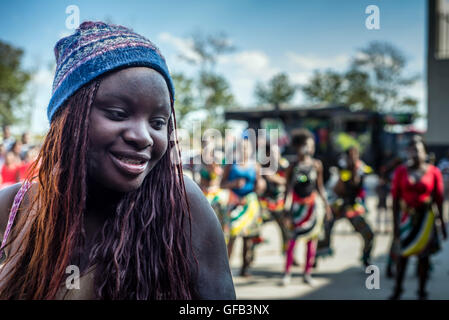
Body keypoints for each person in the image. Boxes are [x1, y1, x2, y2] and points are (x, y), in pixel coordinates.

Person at [0, 21, 235, 300]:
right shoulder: (15, 207)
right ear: (68, 121)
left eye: (158, 122)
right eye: (117, 113)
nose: (143, 137)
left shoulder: (182, 205)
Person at [389, 135, 447, 300]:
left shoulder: (433, 171)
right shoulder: (401, 171)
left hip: (426, 221)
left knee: (424, 258)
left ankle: (422, 292)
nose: (414, 153)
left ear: (424, 152)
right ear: (407, 152)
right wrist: (395, 228)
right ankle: (397, 290)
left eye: (418, 150)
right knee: (402, 257)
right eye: (411, 150)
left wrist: (442, 225)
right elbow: (394, 200)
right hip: (407, 220)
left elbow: (439, 200)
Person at [282, 129, 332, 286]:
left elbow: (320, 187)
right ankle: (287, 273)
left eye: (312, 145)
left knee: (312, 242)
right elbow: (288, 188)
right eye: (307, 145)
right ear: (299, 147)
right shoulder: (293, 166)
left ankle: (307, 273)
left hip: (312, 207)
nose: (310, 148)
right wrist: (287, 207)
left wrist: (326, 205)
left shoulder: (317, 165)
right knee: (292, 241)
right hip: (296, 208)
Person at [220, 133, 264, 277]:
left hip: (250, 204)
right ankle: (225, 269)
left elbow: (259, 184)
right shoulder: (230, 164)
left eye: (247, 148)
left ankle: (245, 268)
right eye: (242, 148)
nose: (244, 151)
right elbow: (222, 183)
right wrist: (233, 184)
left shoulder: (255, 166)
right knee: (232, 236)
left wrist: (260, 185)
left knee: (248, 238)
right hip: (234, 203)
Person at [331, 146, 375, 267]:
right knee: (324, 226)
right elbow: (336, 190)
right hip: (341, 205)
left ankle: (366, 257)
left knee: (368, 233)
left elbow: (369, 174)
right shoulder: (344, 171)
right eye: (350, 156)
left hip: (354, 207)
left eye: (355, 155)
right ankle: (318, 254)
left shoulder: (361, 169)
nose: (353, 158)